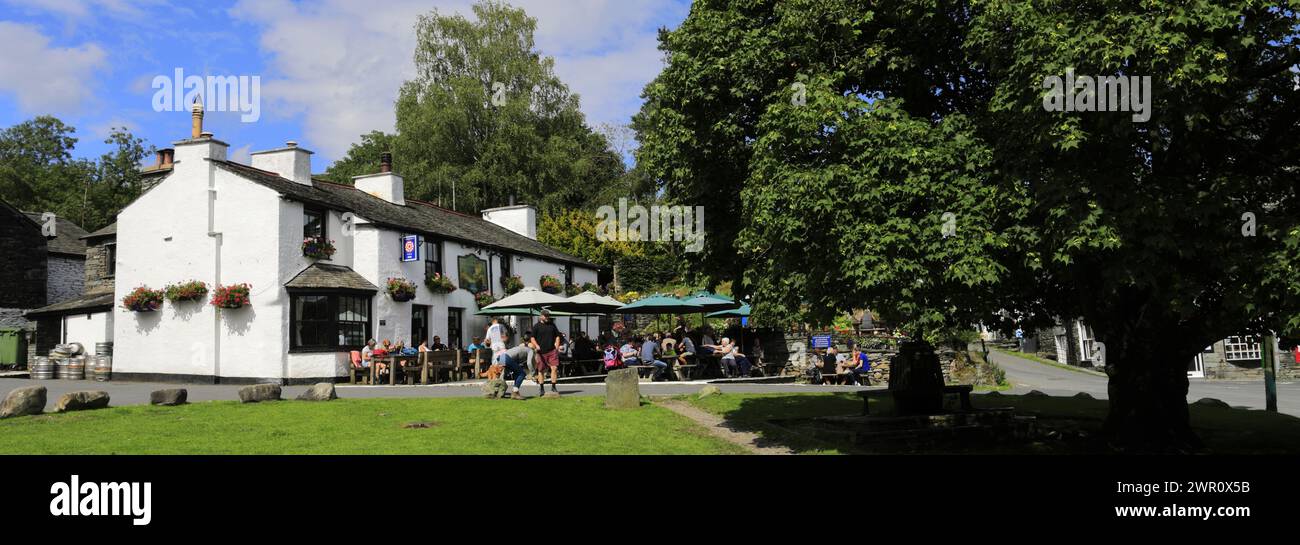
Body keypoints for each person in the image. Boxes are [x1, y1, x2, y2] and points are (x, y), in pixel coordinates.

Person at [529, 309, 563, 396]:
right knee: (541, 370)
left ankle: (553, 387)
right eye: (545, 316)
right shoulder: (536, 326)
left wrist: (557, 347)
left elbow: (558, 336)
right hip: (541, 352)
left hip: (552, 350)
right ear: (541, 316)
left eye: (548, 315)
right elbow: (532, 338)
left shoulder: (552, 325)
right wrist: (536, 345)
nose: (547, 317)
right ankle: (541, 388)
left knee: (554, 368)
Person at [493, 333, 535, 400]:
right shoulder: (530, 350)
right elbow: (529, 363)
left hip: (501, 357)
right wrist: (533, 373)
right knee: (522, 373)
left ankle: (497, 391)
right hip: (506, 358)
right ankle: (515, 393)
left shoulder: (519, 347)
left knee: (514, 374)